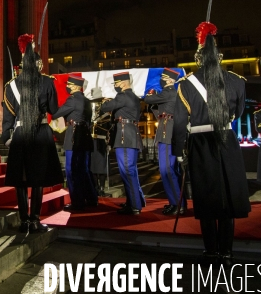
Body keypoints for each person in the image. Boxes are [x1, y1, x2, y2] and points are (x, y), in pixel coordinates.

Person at [172, 20, 251, 266]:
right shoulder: (237, 81)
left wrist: (178, 152)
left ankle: (211, 251)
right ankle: (226, 252)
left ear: (198, 58)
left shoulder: (185, 85)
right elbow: (237, 114)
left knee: (206, 197)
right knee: (227, 196)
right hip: (226, 140)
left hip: (200, 142)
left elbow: (179, 123)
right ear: (220, 56)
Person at [1, 34, 63, 233]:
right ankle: (35, 220)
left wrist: (6, 137)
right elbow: (54, 108)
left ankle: (23, 221)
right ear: (36, 63)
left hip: (20, 133)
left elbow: (8, 118)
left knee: (21, 178)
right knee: (38, 178)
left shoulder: (11, 85)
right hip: (41, 132)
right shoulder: (46, 82)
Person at [98, 72, 145, 215]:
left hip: (125, 137)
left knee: (127, 170)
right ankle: (135, 201)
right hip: (132, 135)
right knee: (131, 171)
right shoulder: (134, 97)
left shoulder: (123, 96)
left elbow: (106, 108)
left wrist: (104, 101)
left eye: (117, 84)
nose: (116, 87)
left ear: (123, 83)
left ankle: (135, 205)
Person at [51, 76, 98, 210]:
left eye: (70, 85)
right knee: (84, 169)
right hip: (85, 136)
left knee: (71, 170)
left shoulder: (72, 100)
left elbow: (56, 113)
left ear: (75, 87)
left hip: (74, 136)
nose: (68, 87)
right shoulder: (87, 101)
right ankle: (91, 198)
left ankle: (77, 201)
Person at [143, 68, 185, 215]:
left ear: (169, 80)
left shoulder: (168, 92)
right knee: (171, 170)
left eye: (163, 78)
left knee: (167, 170)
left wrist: (150, 93)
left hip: (167, 134)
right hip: (167, 131)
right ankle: (176, 202)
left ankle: (177, 204)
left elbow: (147, 99)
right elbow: (158, 110)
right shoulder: (170, 94)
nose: (160, 80)